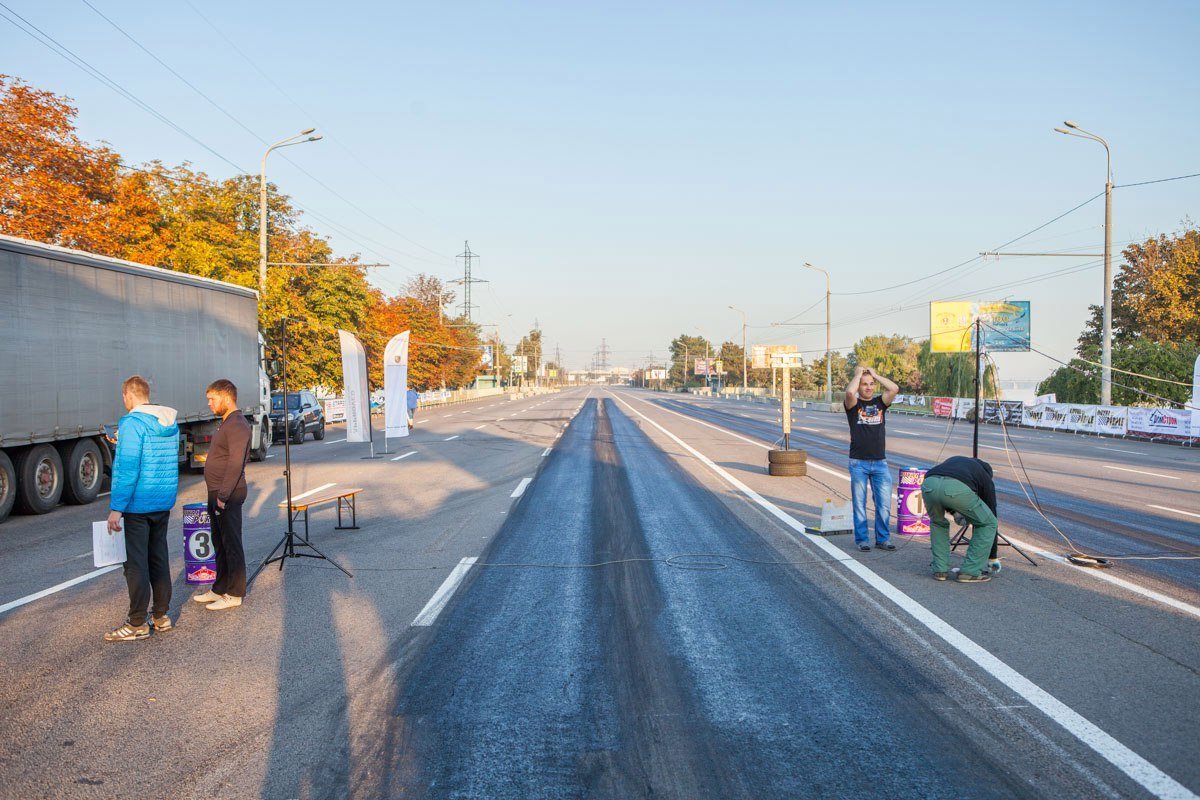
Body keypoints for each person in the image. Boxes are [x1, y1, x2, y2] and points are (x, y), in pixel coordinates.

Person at [104, 376, 179, 642]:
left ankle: (137, 621)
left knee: (135, 563)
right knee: (158, 557)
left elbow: (127, 469)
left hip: (138, 503)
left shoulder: (132, 423)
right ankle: (161, 616)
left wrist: (116, 508)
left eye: (123, 396)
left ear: (129, 395)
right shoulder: (169, 422)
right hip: (162, 500)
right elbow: (156, 457)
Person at [194, 379, 251, 610]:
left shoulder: (237, 424)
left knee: (232, 543)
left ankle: (235, 593)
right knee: (219, 542)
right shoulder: (226, 422)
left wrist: (223, 495)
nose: (209, 403)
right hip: (217, 491)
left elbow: (235, 464)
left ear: (226, 398)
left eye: (212, 399)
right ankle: (220, 588)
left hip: (228, 493)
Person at [844, 365, 899, 552]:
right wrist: (858, 373)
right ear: (859, 386)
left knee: (883, 504)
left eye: (871, 384)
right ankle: (862, 540)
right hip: (858, 462)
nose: (868, 387)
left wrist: (875, 374)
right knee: (859, 504)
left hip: (880, 463)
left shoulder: (880, 403)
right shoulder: (853, 405)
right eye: (864, 384)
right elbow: (849, 392)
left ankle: (883, 539)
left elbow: (894, 389)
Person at [922, 455, 999, 583]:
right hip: (955, 488)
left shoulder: (956, 460)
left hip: (929, 483)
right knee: (988, 523)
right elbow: (991, 514)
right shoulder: (985, 478)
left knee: (938, 523)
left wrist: (954, 511)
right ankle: (970, 572)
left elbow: (942, 492)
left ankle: (940, 570)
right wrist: (992, 557)